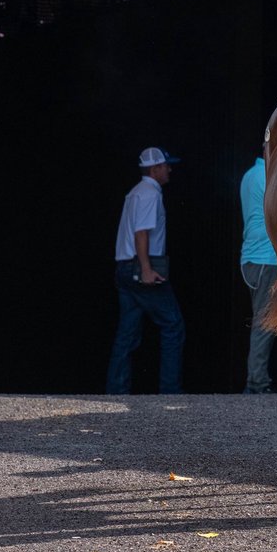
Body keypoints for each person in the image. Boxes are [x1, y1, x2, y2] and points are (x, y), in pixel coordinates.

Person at [106, 147, 186, 394]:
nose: (169, 169)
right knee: (173, 325)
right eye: (166, 165)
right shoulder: (150, 194)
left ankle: (116, 391)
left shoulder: (134, 193)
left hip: (124, 267)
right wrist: (146, 269)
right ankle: (169, 392)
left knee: (127, 333)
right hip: (141, 267)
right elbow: (141, 233)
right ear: (155, 169)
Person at [240, 153, 277, 394]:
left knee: (265, 320)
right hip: (267, 258)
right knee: (265, 322)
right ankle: (256, 383)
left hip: (252, 258)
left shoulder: (250, 175)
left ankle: (258, 379)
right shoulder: (268, 176)